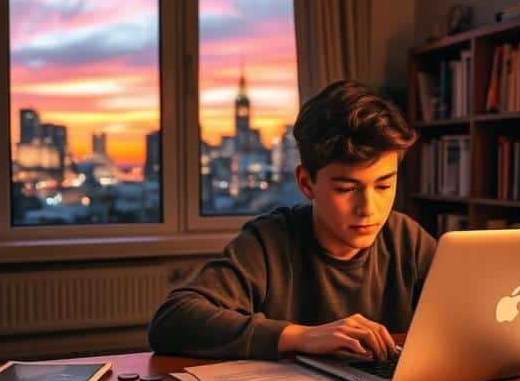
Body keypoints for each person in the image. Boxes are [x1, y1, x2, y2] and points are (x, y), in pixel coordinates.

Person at [149, 80, 436, 361]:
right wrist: (302, 336)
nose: (368, 208)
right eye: (347, 189)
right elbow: (172, 321)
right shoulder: (269, 242)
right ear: (306, 183)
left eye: (384, 186)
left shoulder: (407, 239)